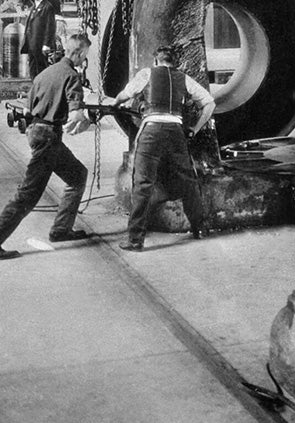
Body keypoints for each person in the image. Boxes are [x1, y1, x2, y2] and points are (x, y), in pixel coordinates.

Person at [111, 46, 215, 251]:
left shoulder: (146, 74)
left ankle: (135, 239)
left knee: (142, 184)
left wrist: (115, 104)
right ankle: (199, 229)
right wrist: (195, 128)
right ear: (173, 62)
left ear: (156, 61)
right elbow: (210, 103)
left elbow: (125, 95)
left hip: (151, 131)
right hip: (175, 131)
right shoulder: (184, 78)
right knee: (188, 180)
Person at [0, 32, 93, 260]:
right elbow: (75, 113)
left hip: (37, 131)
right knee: (27, 195)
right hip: (49, 137)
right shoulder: (71, 75)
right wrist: (85, 117)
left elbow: (28, 108)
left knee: (77, 175)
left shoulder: (45, 73)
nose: (84, 61)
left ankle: (61, 230)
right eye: (85, 56)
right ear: (79, 53)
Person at [21, 0, 56, 79]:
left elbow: (50, 28)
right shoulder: (34, 7)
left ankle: (42, 92)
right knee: (33, 70)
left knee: (41, 70)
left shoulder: (47, 7)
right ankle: (35, 89)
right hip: (32, 45)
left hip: (40, 46)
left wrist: (46, 45)